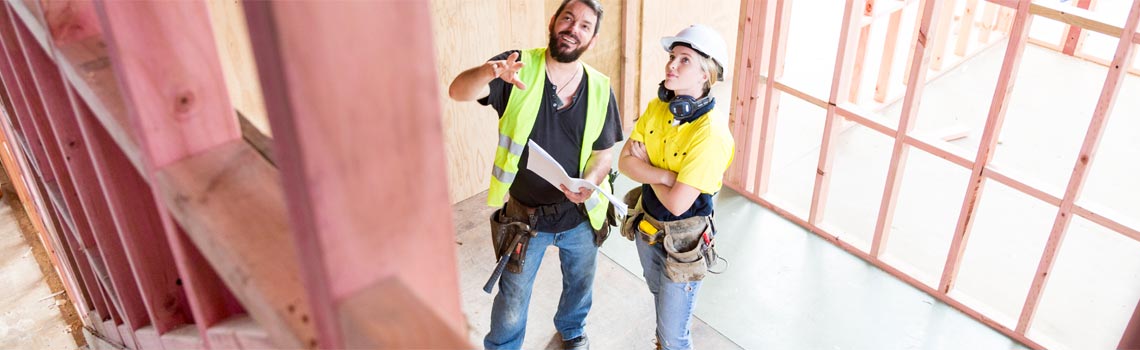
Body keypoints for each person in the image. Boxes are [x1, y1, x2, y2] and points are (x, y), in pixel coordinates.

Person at [447, 0, 622, 349]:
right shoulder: (517, 67)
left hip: (580, 217)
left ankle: (572, 331)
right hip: (525, 217)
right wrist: (490, 72)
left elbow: (604, 154)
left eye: (585, 25)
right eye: (568, 18)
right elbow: (457, 92)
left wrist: (591, 183)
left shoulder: (600, 87)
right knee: (512, 296)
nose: (574, 28)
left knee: (580, 283)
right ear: (553, 22)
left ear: (593, 38)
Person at [617, 24, 733, 350]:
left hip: (683, 242)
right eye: (672, 56)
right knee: (660, 301)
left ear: (705, 75)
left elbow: (679, 205)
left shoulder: (711, 136)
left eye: (684, 60)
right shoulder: (658, 107)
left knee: (674, 336)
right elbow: (624, 163)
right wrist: (668, 177)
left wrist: (649, 170)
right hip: (647, 229)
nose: (671, 65)